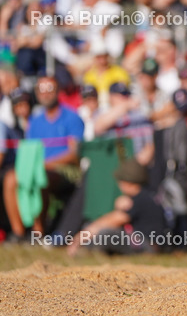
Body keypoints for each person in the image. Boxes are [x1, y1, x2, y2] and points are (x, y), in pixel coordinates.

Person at [2, 76, 85, 241]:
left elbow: (74, 154)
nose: (45, 95)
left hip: (65, 172)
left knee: (40, 178)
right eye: (41, 91)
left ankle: (38, 232)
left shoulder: (72, 116)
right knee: (11, 178)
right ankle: (19, 233)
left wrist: (44, 165)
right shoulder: (35, 122)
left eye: (50, 90)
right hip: (38, 168)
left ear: (57, 92)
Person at [68, 158, 169, 256]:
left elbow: (114, 220)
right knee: (96, 229)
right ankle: (91, 248)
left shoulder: (139, 199)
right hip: (146, 242)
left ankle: (88, 250)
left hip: (147, 245)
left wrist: (81, 236)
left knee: (105, 234)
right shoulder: (147, 194)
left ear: (128, 183)